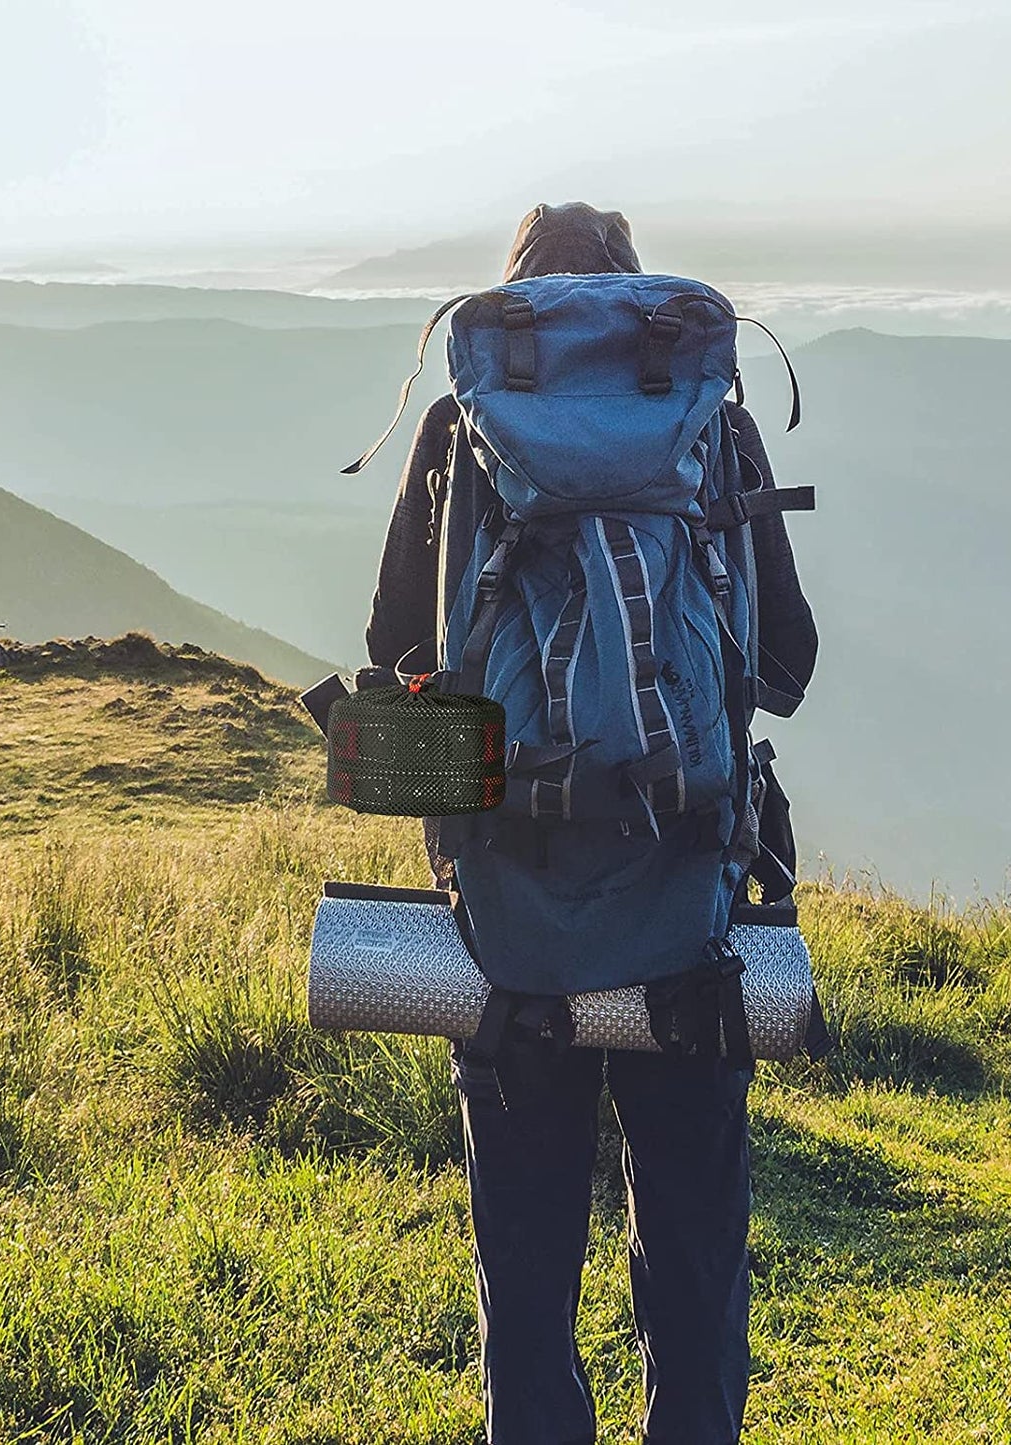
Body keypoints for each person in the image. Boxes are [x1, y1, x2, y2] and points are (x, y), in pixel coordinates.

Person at [365, 202, 818, 1445]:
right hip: (685, 911)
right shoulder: (704, 424)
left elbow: (396, 654)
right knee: (690, 1253)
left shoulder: (462, 427)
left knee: (523, 1269)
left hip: (506, 924)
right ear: (634, 306)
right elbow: (786, 661)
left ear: (513, 314)